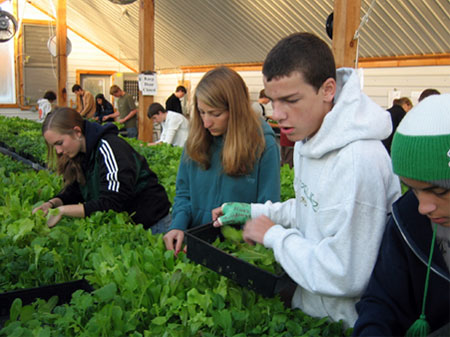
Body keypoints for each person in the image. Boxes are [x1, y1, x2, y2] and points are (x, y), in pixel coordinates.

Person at [212, 32, 401, 328]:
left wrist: (274, 235)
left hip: (346, 323)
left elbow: (346, 274)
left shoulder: (359, 161)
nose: (278, 114)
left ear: (327, 90)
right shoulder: (309, 137)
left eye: (290, 100)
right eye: (273, 101)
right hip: (308, 307)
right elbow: (310, 206)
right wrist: (254, 212)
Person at [353, 94, 450, 337]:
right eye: (413, 189)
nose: (423, 207)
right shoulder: (406, 219)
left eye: (438, 191)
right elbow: (383, 297)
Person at [163, 66, 281, 254]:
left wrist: (242, 249)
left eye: (215, 114)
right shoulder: (197, 138)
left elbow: (268, 209)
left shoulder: (263, 144)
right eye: (202, 112)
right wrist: (177, 225)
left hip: (238, 252)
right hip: (193, 246)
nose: (206, 122)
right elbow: (184, 194)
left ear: (236, 110)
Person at [32, 107, 171, 234]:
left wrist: (61, 211)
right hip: (129, 225)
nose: (58, 151)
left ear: (77, 132)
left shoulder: (109, 147)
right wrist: (52, 204)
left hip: (153, 223)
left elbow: (112, 202)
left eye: (59, 143)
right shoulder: (81, 153)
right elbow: (75, 191)